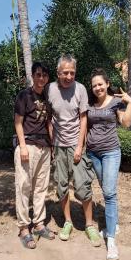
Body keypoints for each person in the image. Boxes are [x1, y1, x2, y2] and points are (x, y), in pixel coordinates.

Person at [47, 54, 101, 247]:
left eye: (72, 72)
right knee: (61, 187)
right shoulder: (50, 89)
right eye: (65, 73)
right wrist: (52, 143)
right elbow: (49, 117)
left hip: (76, 145)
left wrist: (80, 146)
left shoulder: (81, 89)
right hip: (58, 147)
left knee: (82, 186)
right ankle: (68, 222)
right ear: (58, 73)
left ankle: (89, 225)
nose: (69, 76)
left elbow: (83, 118)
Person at [86, 68, 131, 260]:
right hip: (93, 153)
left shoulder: (115, 102)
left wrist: (129, 103)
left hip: (111, 152)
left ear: (107, 84)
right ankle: (113, 224)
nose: (97, 88)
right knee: (106, 192)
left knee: (110, 192)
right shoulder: (89, 104)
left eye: (100, 84)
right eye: (94, 85)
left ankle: (111, 241)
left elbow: (126, 123)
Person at [14, 62, 55, 249]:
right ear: (32, 75)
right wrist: (22, 146)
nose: (41, 78)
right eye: (38, 75)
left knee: (41, 187)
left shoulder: (47, 97)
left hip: (44, 147)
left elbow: (48, 123)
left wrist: (52, 145)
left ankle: (38, 223)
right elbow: (18, 123)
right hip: (28, 146)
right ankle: (23, 227)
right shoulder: (24, 96)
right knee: (23, 187)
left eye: (44, 75)